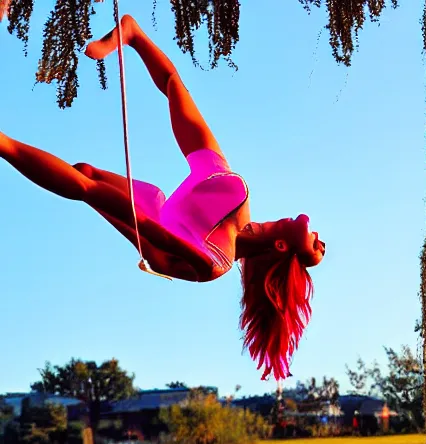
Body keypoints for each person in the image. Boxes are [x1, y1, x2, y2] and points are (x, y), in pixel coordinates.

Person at [0, 15, 325, 380]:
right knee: (170, 91)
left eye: (315, 244)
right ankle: (134, 35)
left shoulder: (216, 261)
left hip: (155, 223)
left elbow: (154, 236)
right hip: (183, 206)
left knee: (86, 180)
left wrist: (103, 201)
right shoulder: (236, 198)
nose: (321, 240)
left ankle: (5, 143)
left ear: (282, 247)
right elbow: (173, 86)